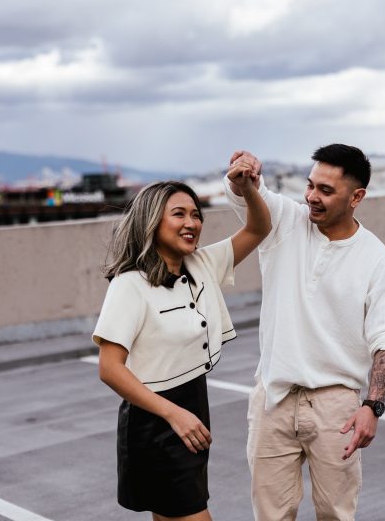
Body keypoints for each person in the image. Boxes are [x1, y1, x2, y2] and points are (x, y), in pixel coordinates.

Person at [223, 144, 385, 521]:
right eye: (310, 185)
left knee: (336, 515)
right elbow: (248, 200)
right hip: (273, 398)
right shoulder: (286, 223)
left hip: (335, 405)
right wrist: (243, 178)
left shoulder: (375, 258)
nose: (311, 197)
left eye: (326, 190)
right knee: (270, 515)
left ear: (357, 197)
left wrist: (372, 407)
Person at [93, 161, 270, 521]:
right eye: (178, 214)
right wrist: (174, 415)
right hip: (155, 420)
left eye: (196, 214)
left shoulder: (203, 263)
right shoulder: (130, 284)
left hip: (192, 404)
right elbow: (110, 369)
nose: (191, 223)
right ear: (152, 221)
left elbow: (259, 227)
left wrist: (247, 187)